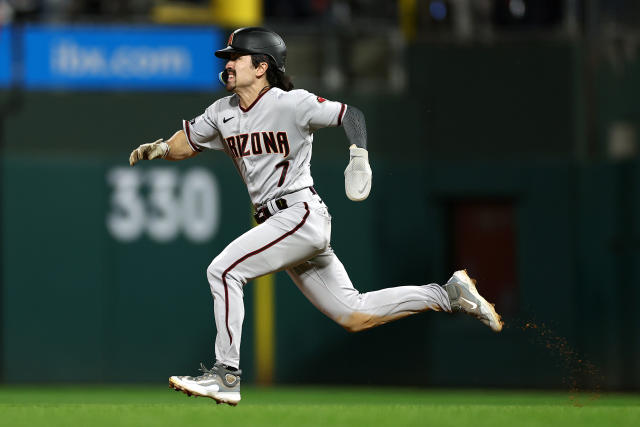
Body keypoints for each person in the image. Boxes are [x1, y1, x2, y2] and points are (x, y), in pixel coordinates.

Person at [129, 27, 503, 406]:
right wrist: (160, 148)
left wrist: (359, 156)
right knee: (353, 314)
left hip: (298, 214)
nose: (227, 64)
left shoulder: (292, 103)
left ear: (261, 67)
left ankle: (226, 375)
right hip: (282, 224)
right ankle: (447, 294)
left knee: (224, 271)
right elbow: (187, 142)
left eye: (235, 57)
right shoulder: (222, 112)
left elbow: (350, 114)